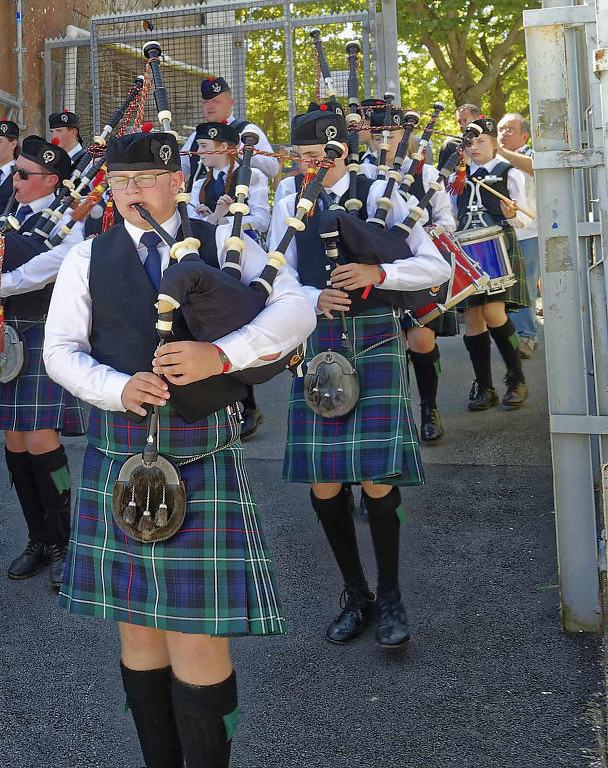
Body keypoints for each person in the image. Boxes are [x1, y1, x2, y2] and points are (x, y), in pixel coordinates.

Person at [45, 130, 314, 768]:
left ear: (175, 182)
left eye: (144, 181)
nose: (131, 193)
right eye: (119, 182)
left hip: (199, 449)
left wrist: (220, 354)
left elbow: (295, 311)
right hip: (123, 451)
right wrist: (115, 388)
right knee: (138, 632)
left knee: (197, 637)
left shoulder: (226, 241)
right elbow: (59, 350)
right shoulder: (87, 256)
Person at [273, 111, 450, 649]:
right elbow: (274, 272)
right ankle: (356, 594)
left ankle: (391, 593)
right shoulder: (288, 200)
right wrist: (308, 297)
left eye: (317, 159)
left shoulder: (382, 195)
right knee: (325, 481)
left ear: (341, 154)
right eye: (299, 159)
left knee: (375, 478)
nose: (307, 168)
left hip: (373, 336)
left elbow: (436, 266)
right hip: (319, 336)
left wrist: (380, 274)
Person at [0, 135, 85, 589]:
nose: (15, 179)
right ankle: (40, 540)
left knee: (39, 438)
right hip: (5, 333)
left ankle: (70, 545)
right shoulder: (7, 218)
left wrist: (3, 284)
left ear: (51, 179)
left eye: (24, 175)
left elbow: (59, 261)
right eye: (15, 172)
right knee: (15, 442)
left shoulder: (72, 217)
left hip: (42, 329)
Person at [358, 104, 457, 442]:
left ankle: (429, 407)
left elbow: (447, 220)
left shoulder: (427, 174)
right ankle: (395, 416)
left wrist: (421, 233)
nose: (387, 139)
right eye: (380, 134)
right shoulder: (362, 173)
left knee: (420, 340)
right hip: (373, 271)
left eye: (395, 133)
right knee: (389, 346)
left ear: (407, 136)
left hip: (413, 267)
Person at [188, 121, 275, 440]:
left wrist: (228, 217)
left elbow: (262, 220)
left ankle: (249, 406)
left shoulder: (252, 175)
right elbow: (198, 220)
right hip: (209, 256)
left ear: (225, 148)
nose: (199, 153)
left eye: (205, 148)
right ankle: (228, 402)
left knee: (236, 327)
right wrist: (202, 214)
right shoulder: (200, 176)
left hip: (241, 258)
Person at [454, 118, 532, 411]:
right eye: (470, 142)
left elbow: (523, 219)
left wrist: (511, 213)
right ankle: (485, 387)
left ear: (494, 142)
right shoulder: (457, 176)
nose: (474, 147)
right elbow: (451, 215)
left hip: (498, 248)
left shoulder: (507, 172)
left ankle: (516, 378)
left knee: (492, 311)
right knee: (473, 318)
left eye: (481, 141)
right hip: (466, 252)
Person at [497, 113, 540, 353]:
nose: (503, 134)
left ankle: (527, 337)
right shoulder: (495, 159)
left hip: (529, 233)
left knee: (526, 286)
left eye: (509, 129)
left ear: (525, 135)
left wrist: (501, 152)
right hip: (502, 232)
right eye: (501, 129)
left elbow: (534, 168)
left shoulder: (532, 155)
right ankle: (513, 338)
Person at [182, 77, 272, 176]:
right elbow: (182, 167)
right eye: (205, 102)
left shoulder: (248, 131)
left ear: (230, 103)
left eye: (216, 101)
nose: (209, 106)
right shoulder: (196, 136)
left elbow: (272, 168)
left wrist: (242, 150)